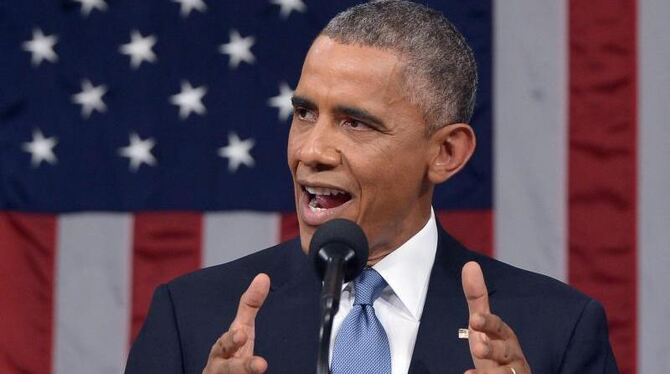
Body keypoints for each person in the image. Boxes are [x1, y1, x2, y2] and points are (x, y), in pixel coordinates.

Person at [125, 1, 618, 373]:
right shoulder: (191, 319)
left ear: (445, 153)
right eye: (304, 113)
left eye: (355, 123)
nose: (310, 151)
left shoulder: (558, 332)